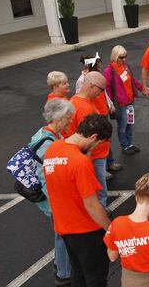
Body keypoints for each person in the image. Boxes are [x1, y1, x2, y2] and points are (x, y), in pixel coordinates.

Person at [43, 113, 113, 287]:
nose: (96, 148)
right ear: (94, 136)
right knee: (96, 277)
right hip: (86, 229)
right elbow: (91, 205)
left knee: (78, 273)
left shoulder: (53, 149)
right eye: (98, 143)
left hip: (64, 227)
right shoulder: (80, 163)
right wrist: (110, 230)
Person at [31, 99, 76, 286]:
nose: (70, 122)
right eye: (68, 118)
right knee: (62, 235)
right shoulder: (47, 144)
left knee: (61, 234)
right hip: (52, 201)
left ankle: (61, 267)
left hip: (52, 200)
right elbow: (45, 179)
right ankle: (63, 274)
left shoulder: (45, 134)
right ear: (57, 118)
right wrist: (59, 204)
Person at [66, 71, 114, 203]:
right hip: (95, 156)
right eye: (101, 89)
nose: (101, 93)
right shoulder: (84, 108)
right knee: (98, 188)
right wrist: (87, 160)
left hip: (95, 155)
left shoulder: (77, 101)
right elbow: (86, 139)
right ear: (92, 86)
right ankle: (100, 212)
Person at [104, 45, 149, 156]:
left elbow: (132, 80)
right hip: (120, 104)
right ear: (115, 57)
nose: (124, 59)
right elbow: (107, 89)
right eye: (121, 57)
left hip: (130, 101)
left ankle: (130, 143)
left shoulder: (126, 66)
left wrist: (141, 88)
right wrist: (110, 104)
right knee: (122, 125)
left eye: (125, 57)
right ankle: (124, 145)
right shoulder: (109, 71)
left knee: (129, 123)